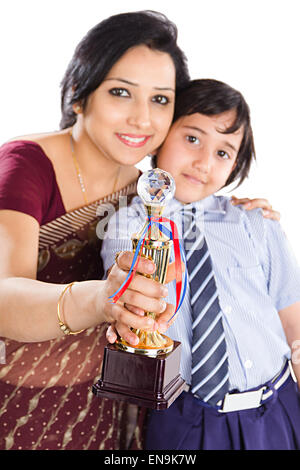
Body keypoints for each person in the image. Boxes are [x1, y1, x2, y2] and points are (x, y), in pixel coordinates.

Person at [0, 9, 279, 450]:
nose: (142, 120)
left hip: (110, 408)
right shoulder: (25, 167)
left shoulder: (145, 190)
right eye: (120, 92)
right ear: (78, 92)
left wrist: (236, 209)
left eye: (160, 100)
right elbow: (2, 293)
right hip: (21, 406)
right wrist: (100, 298)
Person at [102, 79, 300, 450]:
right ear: (161, 135)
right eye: (192, 139)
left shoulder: (255, 222)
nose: (204, 162)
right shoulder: (126, 224)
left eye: (224, 153)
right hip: (186, 415)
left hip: (277, 404)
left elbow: (292, 315)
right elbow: (124, 298)